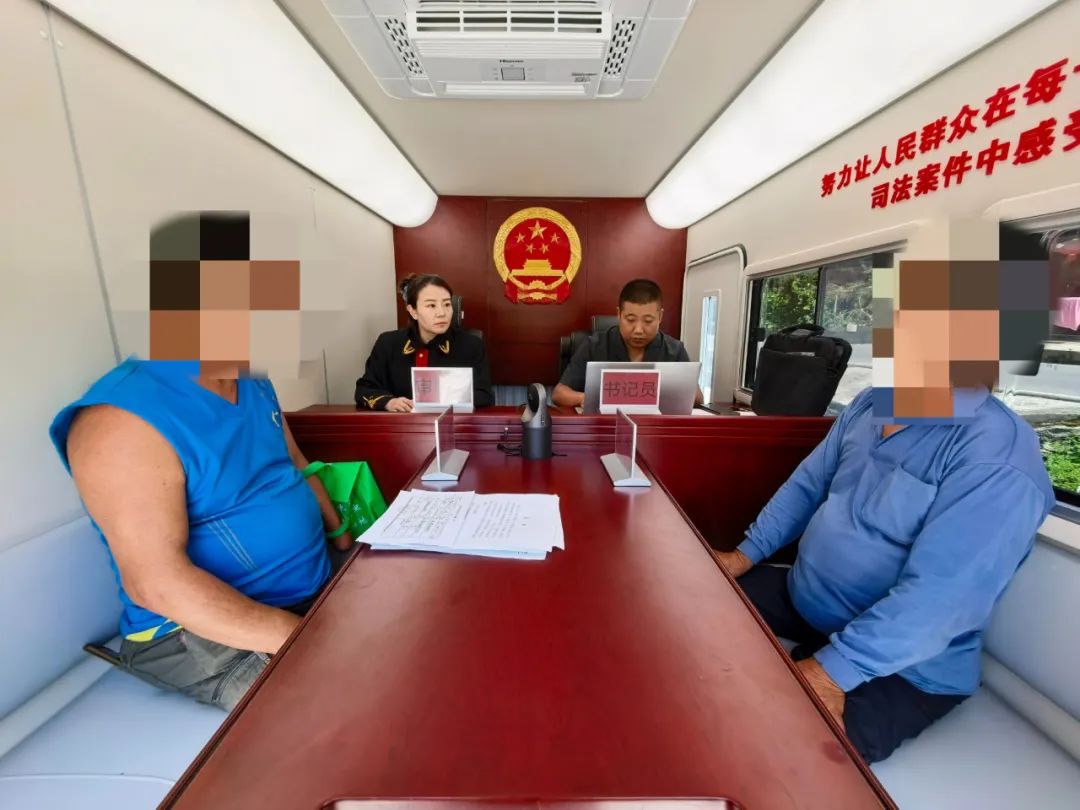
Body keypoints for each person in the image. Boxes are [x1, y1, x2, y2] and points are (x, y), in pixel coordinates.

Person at [712, 257, 1057, 763]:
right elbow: (808, 485)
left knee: (777, 751)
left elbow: (941, 600)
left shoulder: (996, 460)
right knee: (694, 612)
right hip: (806, 601)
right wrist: (742, 556)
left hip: (902, 668)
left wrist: (829, 672)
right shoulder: (872, 402)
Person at [49, 211, 353, 711]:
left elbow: (295, 463)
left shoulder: (253, 379)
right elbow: (157, 584)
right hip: (203, 636)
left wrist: (343, 541)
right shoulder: (120, 421)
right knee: (356, 704)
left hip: (308, 590)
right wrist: (309, 641)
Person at [552, 278, 701, 409]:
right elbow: (559, 393)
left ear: (660, 316)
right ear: (619, 314)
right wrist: (585, 399)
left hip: (653, 425)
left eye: (648, 321)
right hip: (605, 425)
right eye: (630, 320)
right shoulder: (594, 346)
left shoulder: (674, 350)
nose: (638, 330)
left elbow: (698, 396)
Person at [354, 274, 494, 412]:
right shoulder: (388, 343)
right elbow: (364, 389)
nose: (441, 313)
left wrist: (437, 400)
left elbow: (484, 395)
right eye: (431, 305)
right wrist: (389, 402)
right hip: (403, 423)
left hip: (451, 422)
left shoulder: (471, 345)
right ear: (413, 311)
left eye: (447, 304)